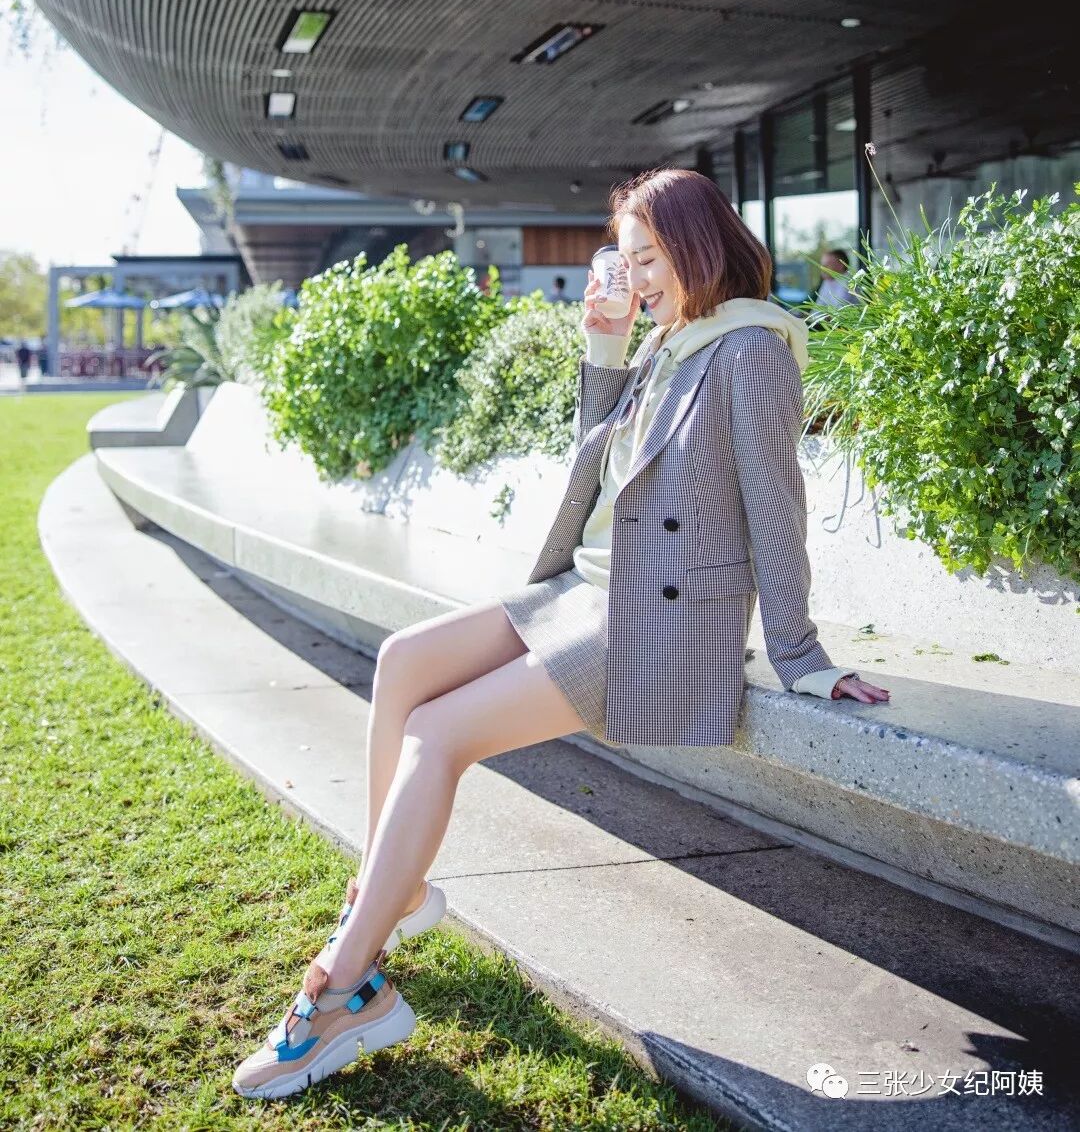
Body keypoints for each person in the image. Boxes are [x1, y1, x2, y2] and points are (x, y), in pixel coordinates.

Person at [233, 167, 891, 1099]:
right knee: (403, 662)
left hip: (656, 616)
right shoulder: (669, 340)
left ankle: (346, 991)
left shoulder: (750, 348)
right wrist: (604, 348)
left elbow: (776, 506)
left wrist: (801, 655)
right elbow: (605, 464)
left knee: (437, 731)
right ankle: (397, 893)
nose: (636, 277)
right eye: (625, 260)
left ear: (697, 245)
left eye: (648, 258)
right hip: (583, 590)